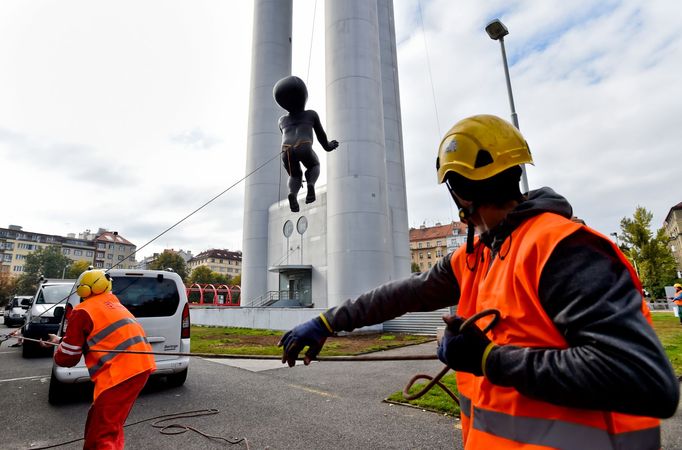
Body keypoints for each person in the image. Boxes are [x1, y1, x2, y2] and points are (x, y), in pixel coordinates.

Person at [279, 115, 679, 449]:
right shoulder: (479, 254)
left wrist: (489, 359)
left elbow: (643, 380)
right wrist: (329, 321)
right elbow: (405, 293)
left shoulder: (563, 249)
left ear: (460, 192)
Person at [42, 269, 156, 449]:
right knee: (106, 421)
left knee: (102, 433)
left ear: (83, 290)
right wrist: (60, 341)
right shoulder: (114, 304)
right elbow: (94, 336)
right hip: (140, 367)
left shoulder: (82, 310)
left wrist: (60, 350)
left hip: (119, 374)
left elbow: (67, 359)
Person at [273, 75, 339, 212]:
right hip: (303, 144)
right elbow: (321, 136)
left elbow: (284, 133)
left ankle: (293, 194)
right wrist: (329, 146)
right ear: (304, 96)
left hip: (286, 149)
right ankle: (310, 185)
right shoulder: (311, 114)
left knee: (295, 175)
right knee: (314, 164)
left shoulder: (282, 121)